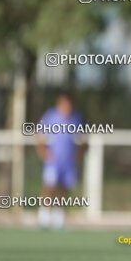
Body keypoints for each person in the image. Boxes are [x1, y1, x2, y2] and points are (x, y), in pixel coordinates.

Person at [35, 92, 87, 229]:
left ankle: (59, 217)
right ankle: (44, 216)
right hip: (54, 160)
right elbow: (40, 136)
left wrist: (79, 154)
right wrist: (44, 152)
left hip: (68, 161)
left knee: (64, 188)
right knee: (49, 186)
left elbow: (84, 139)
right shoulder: (51, 116)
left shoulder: (77, 118)